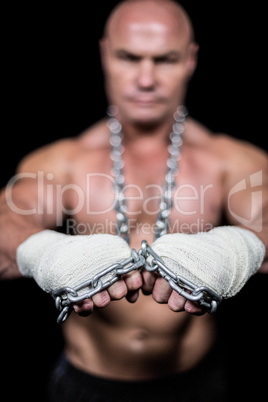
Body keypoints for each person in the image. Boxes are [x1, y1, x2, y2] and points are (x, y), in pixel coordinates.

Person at [0, 0, 267, 401]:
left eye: (165, 59)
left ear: (190, 60)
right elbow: (6, 222)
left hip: (196, 380)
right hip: (86, 381)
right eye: (129, 57)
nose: (145, 79)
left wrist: (236, 250)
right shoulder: (64, 161)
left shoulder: (228, 159)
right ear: (106, 53)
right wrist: (45, 252)